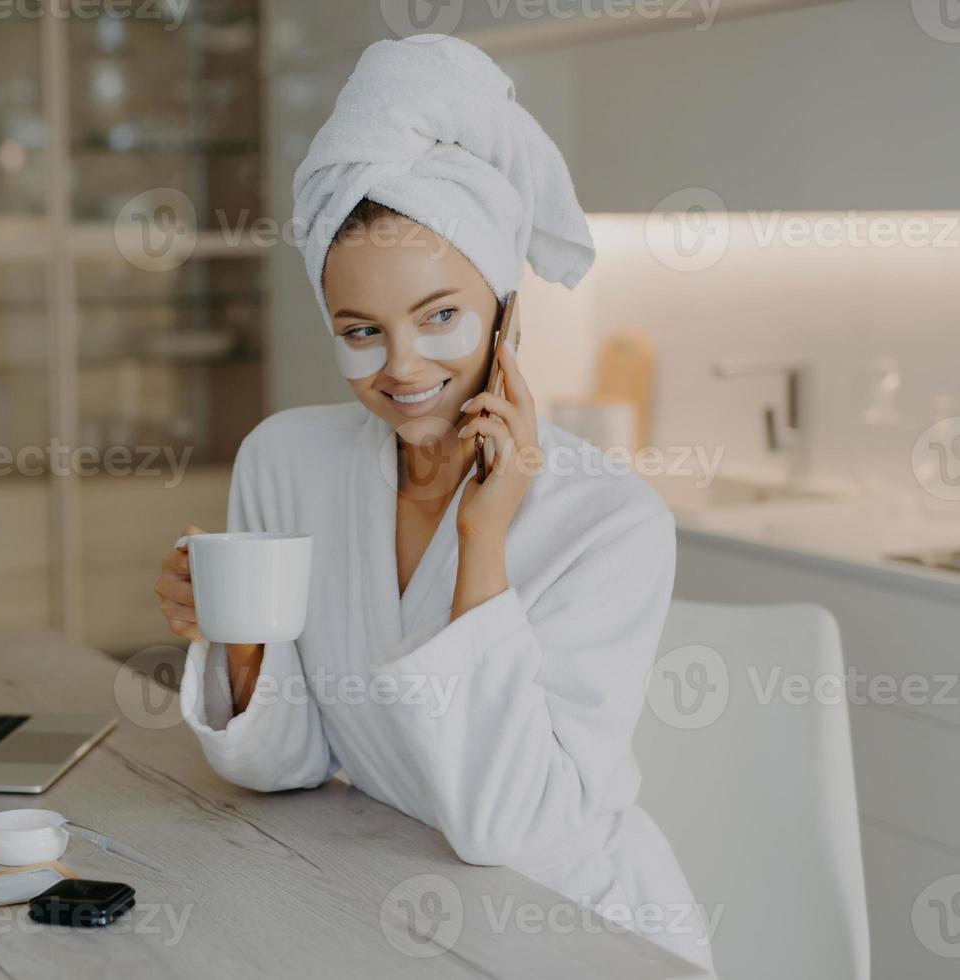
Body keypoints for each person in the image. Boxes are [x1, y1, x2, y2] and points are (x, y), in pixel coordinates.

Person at [153, 34, 714, 972]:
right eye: (361, 331)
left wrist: (482, 545)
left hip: (583, 931)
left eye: (441, 316)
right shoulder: (287, 462)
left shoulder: (610, 523)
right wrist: (239, 641)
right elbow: (283, 765)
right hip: (400, 910)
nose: (403, 368)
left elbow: (509, 828)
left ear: (506, 312)